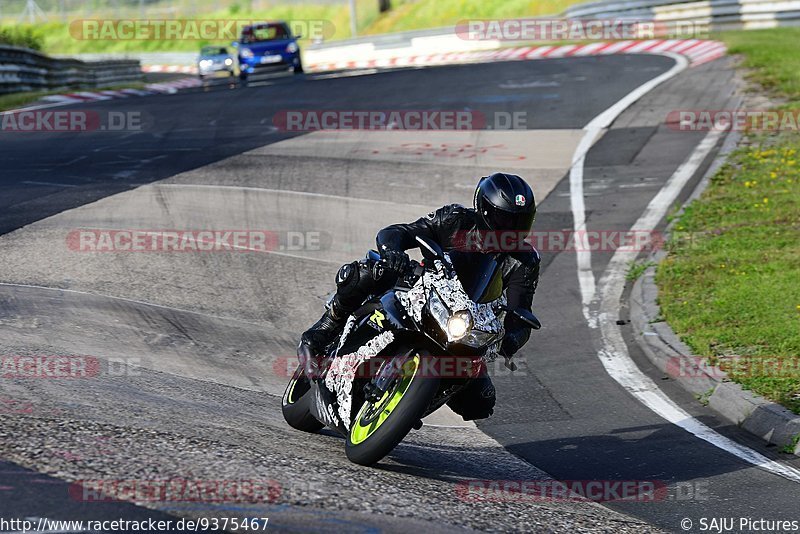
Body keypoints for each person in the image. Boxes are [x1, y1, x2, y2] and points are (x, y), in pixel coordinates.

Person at [298, 172, 540, 420]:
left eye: (521, 221)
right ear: (484, 210)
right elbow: (401, 231)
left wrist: (512, 338)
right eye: (505, 220)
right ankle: (328, 323)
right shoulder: (455, 219)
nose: (512, 229)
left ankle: (412, 404)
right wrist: (393, 251)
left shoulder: (525, 260)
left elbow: (521, 312)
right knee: (373, 271)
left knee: (481, 401)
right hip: (424, 289)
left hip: (468, 325)